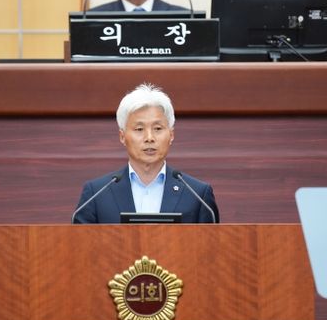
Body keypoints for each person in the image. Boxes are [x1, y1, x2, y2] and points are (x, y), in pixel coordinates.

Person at [73, 83, 219, 224]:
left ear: (171, 135)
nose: (149, 138)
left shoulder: (197, 195)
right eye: (139, 129)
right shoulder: (96, 194)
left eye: (157, 128)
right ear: (122, 136)